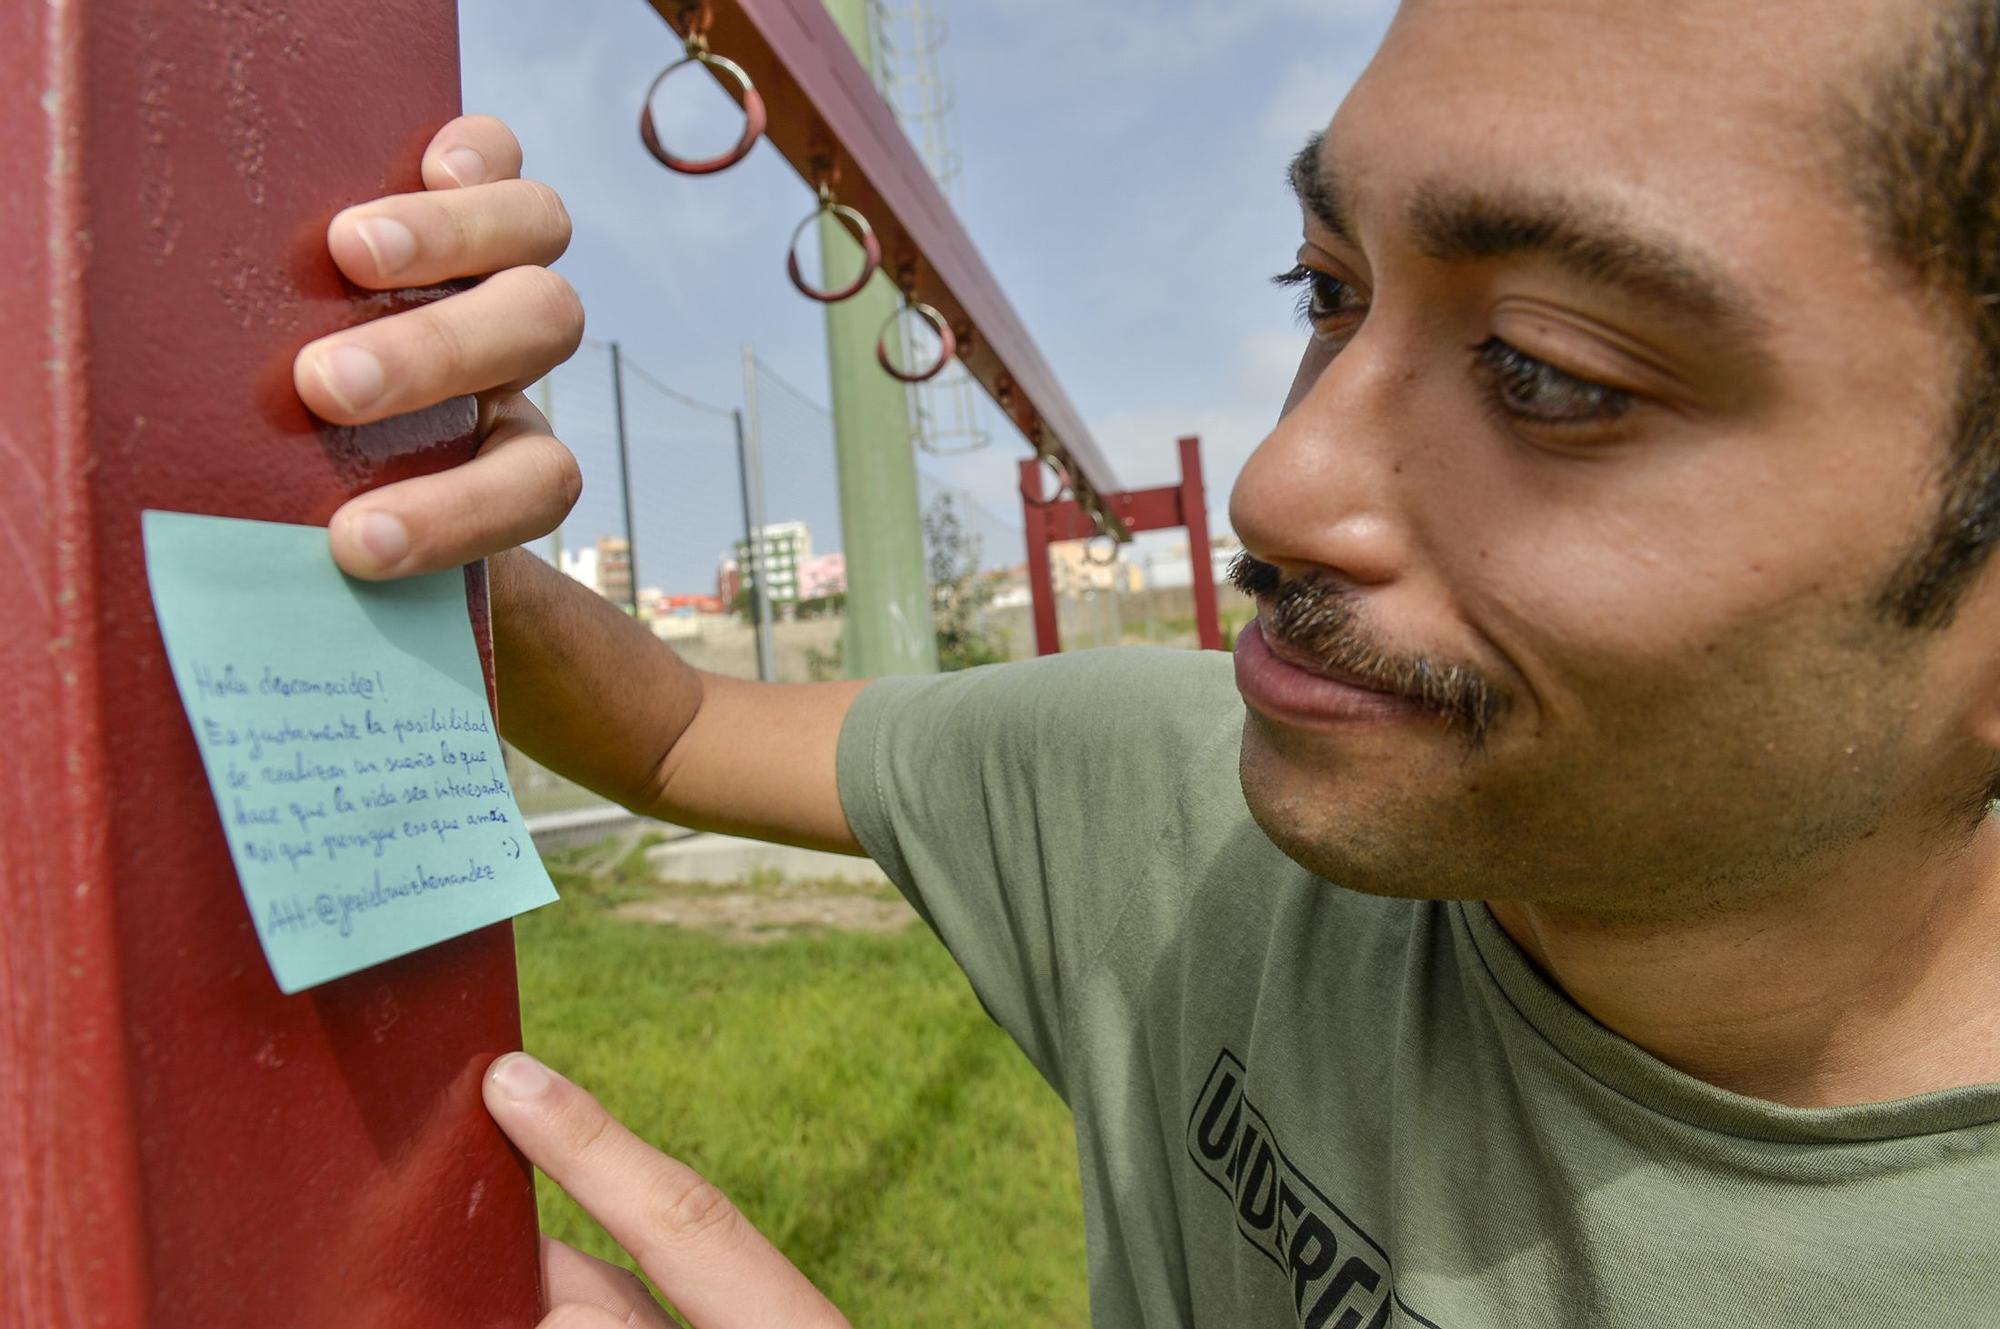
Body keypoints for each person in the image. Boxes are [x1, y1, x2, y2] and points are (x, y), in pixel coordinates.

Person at [294, 0, 2000, 1322]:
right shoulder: (1187, 813)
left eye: (1549, 372)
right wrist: (379, 481)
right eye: (1327, 287)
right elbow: (673, 732)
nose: (1279, 481)